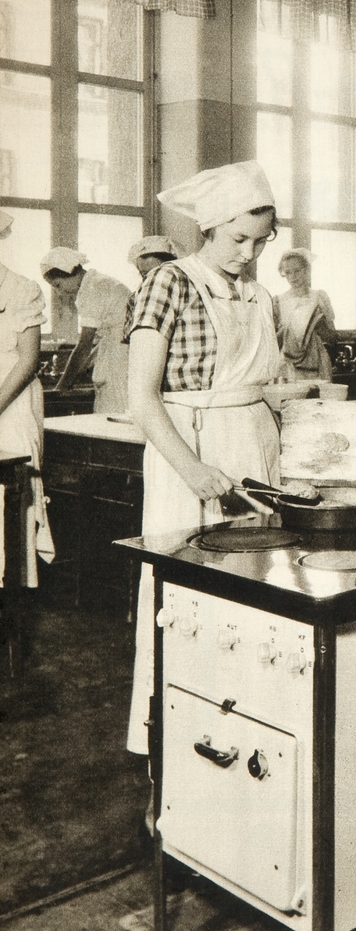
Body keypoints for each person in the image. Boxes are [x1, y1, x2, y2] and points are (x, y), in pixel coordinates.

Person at [125, 160, 281, 755]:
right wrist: (191, 469)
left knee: (257, 582)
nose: (248, 253)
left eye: (261, 241)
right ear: (210, 226)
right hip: (190, 450)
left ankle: (254, 727)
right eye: (239, 239)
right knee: (187, 591)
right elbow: (142, 396)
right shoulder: (169, 282)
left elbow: (259, 384)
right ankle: (173, 739)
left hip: (254, 446)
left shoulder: (259, 294)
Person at [0, 211, 54, 589]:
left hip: (12, 404)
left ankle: (12, 595)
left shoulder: (21, 289)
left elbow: (28, 359)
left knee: (11, 506)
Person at [40, 248, 131, 414]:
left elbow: (84, 345)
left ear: (69, 272)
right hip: (123, 354)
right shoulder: (100, 281)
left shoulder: (92, 289)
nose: (59, 292)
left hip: (119, 360)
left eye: (58, 285)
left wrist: (63, 385)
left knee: (115, 413)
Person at [273, 248, 335, 382]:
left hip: (316, 363)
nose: (292, 276)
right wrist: (285, 333)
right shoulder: (278, 301)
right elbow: (271, 341)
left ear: (307, 270)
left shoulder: (319, 297)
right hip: (287, 364)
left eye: (297, 271)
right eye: (288, 272)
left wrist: (319, 327)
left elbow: (332, 338)